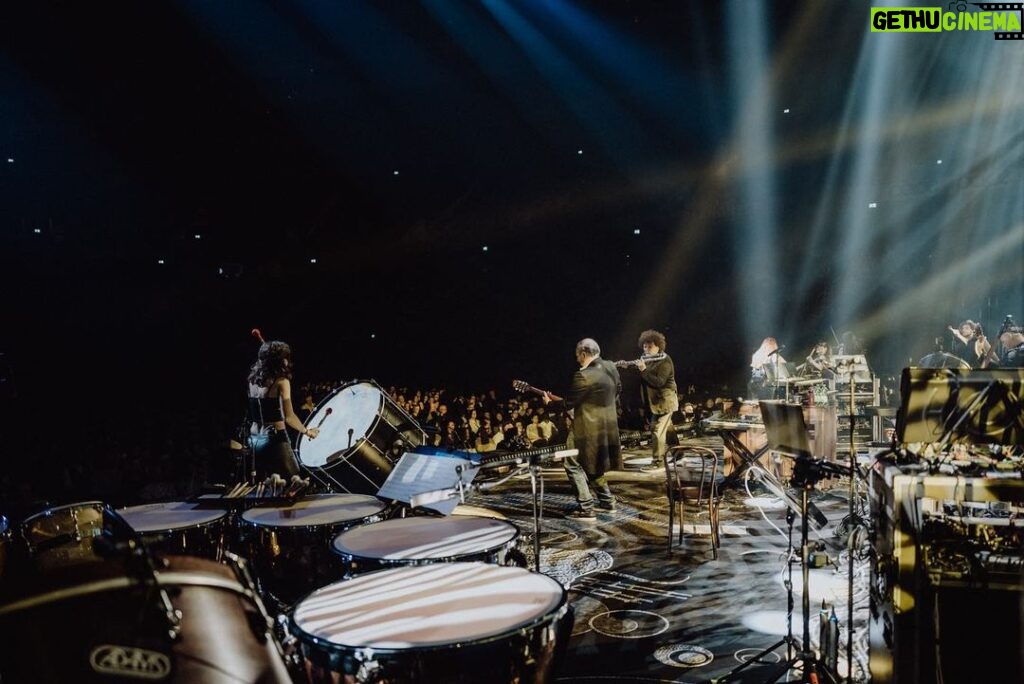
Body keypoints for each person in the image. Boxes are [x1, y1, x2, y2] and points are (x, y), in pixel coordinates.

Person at [543, 338, 621, 520]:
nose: (577, 360)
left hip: (586, 428)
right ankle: (607, 502)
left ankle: (586, 508)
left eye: (578, 356)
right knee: (592, 463)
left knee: (572, 463)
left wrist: (548, 403)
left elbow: (568, 403)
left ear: (584, 354)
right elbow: (618, 390)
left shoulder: (583, 375)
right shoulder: (611, 367)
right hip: (608, 424)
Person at [247, 339, 318, 479]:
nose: (287, 361)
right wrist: (308, 432)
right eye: (285, 357)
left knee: (273, 482)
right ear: (280, 360)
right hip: (274, 438)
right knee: (295, 480)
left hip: (255, 439)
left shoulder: (251, 380)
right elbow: (289, 417)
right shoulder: (282, 382)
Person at [635, 329, 679, 470]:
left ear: (658, 346)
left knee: (657, 430)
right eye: (645, 346)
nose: (647, 349)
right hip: (656, 403)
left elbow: (659, 382)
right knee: (668, 428)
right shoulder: (648, 360)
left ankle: (658, 462)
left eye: (650, 346)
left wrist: (643, 370)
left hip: (665, 402)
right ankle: (679, 451)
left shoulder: (665, 361)